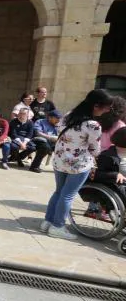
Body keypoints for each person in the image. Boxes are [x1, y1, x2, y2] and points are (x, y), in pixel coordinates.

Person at [42, 89, 112, 239]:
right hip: (78, 165)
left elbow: (59, 130)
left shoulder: (69, 115)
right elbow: (95, 149)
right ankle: (58, 226)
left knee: (59, 192)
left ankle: (48, 222)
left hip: (60, 160)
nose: (107, 111)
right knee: (67, 195)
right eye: (106, 107)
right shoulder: (93, 125)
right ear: (96, 105)